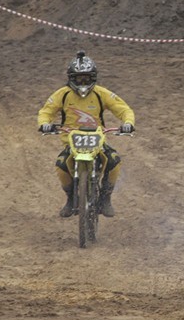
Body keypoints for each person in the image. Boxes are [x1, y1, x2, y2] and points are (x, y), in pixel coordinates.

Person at [37, 50, 135, 218]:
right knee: (61, 166)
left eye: (86, 78)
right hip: (71, 140)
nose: (83, 83)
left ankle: (105, 198)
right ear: (71, 78)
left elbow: (124, 109)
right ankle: (70, 198)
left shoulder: (101, 93)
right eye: (79, 79)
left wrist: (127, 123)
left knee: (114, 161)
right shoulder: (62, 94)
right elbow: (46, 111)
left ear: (93, 78)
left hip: (97, 139)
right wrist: (44, 124)